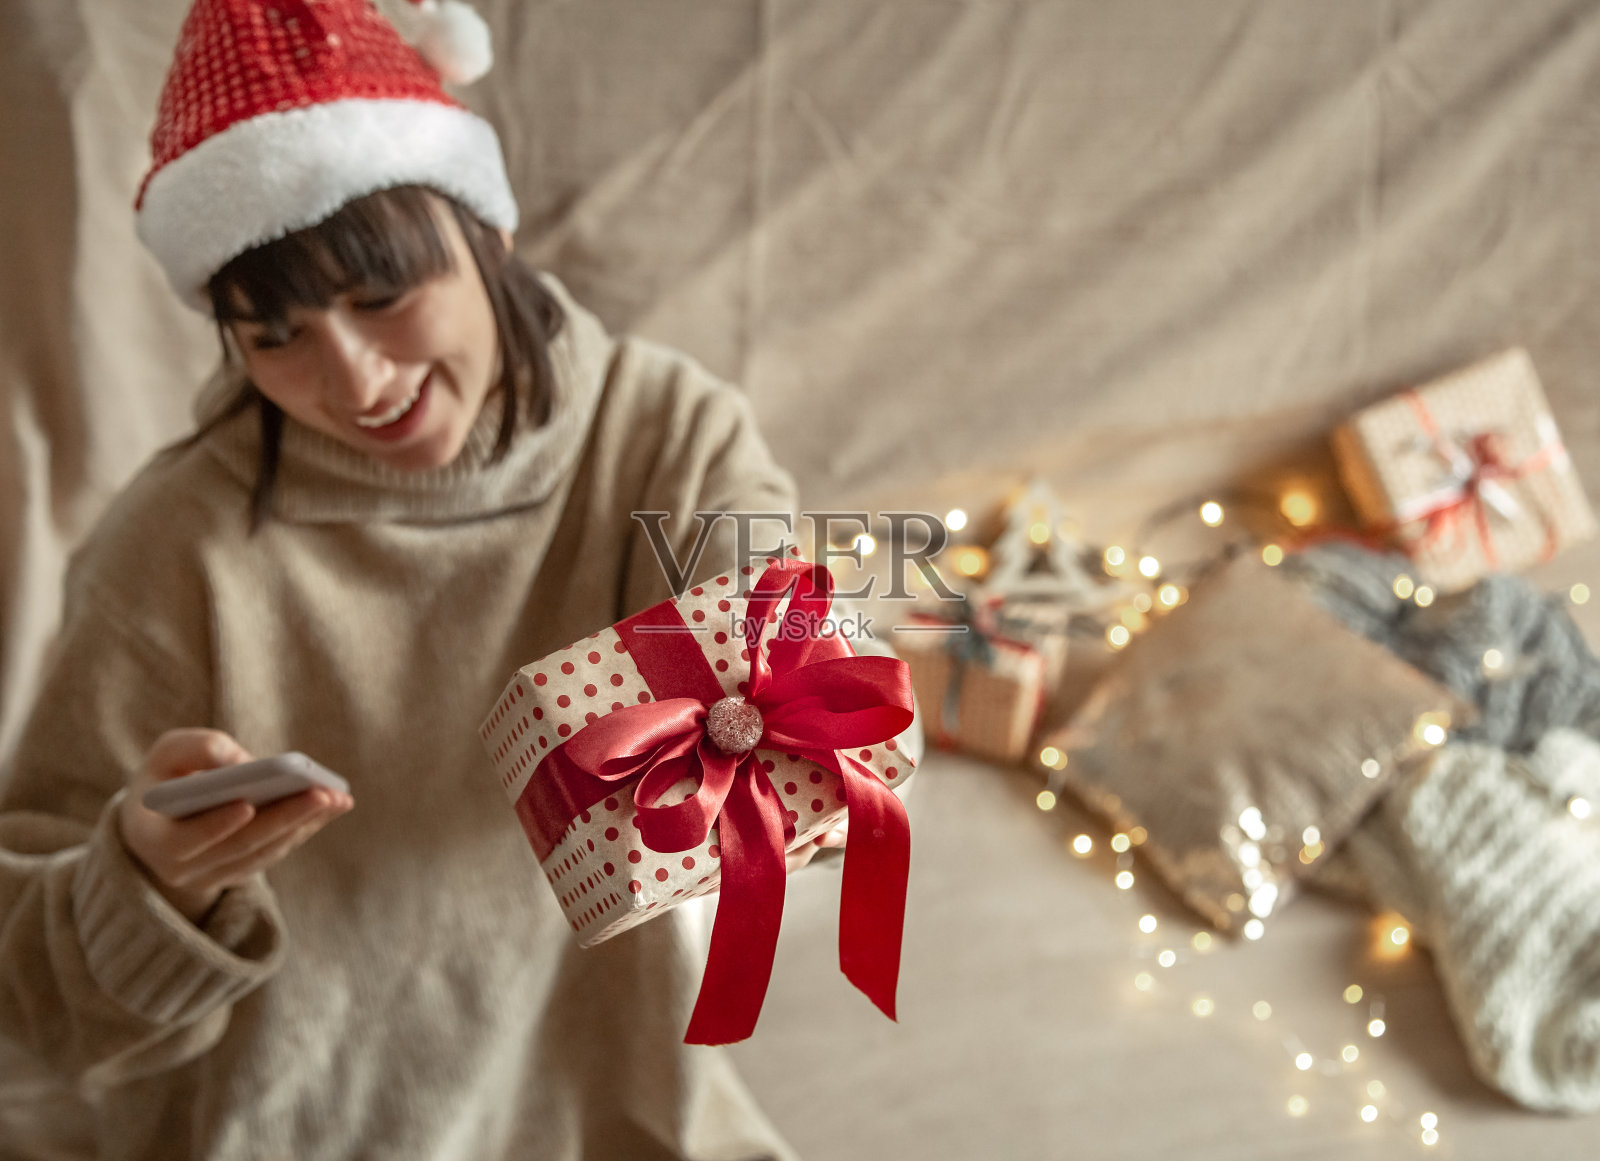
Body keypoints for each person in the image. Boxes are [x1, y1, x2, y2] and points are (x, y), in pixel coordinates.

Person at [0, 1, 842, 1156]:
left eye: (381, 299)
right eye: (275, 336)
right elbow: (37, 994)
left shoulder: (663, 432)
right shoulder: (174, 542)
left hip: (594, 1104)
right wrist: (144, 881)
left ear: (485, 234)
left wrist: (790, 705)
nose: (352, 382)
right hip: (283, 1122)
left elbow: (814, 718)